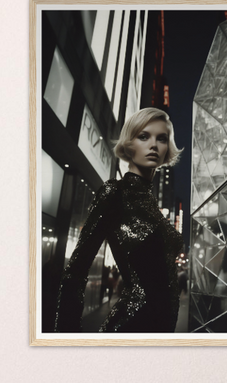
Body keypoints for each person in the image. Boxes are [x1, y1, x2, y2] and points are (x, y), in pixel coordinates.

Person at [56, 108, 184, 332]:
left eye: (161, 139)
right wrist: (68, 343)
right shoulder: (115, 194)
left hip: (162, 333)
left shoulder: (152, 204)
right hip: (131, 327)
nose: (153, 145)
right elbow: (74, 274)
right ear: (129, 144)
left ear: (167, 149)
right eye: (144, 136)